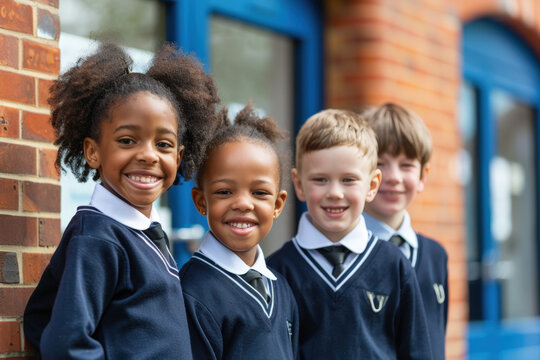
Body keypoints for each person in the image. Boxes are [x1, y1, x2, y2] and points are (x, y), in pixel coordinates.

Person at [23, 42, 221, 359]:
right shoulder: (99, 237)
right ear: (93, 151)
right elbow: (64, 342)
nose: (147, 155)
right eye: (127, 140)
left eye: (164, 144)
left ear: (179, 156)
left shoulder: (142, 234)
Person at [267, 109, 433, 359]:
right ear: (299, 184)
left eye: (348, 180)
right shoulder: (278, 271)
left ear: (372, 185)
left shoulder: (395, 265)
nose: (335, 192)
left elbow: (417, 351)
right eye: (320, 179)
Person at [180, 105, 299, 360]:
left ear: (277, 205)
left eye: (259, 193)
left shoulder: (282, 289)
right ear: (201, 202)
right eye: (225, 192)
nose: (243, 204)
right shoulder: (190, 292)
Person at [363, 103, 448, 359]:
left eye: (407, 165)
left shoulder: (436, 256)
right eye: (380, 163)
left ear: (423, 176)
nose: (393, 177)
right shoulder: (347, 255)